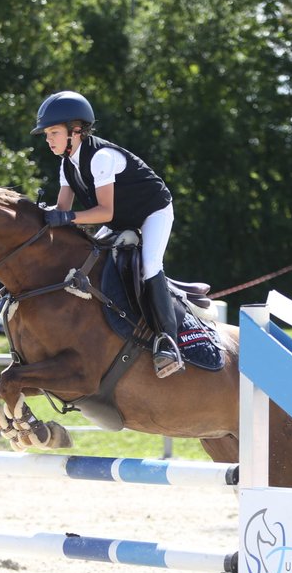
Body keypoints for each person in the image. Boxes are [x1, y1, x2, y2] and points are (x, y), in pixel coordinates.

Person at [32, 90, 183, 378]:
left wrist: (66, 217)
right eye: (47, 134)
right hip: (118, 218)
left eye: (53, 132)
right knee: (90, 259)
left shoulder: (101, 156)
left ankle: (168, 340)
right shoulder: (67, 164)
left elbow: (105, 212)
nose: (48, 139)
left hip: (152, 211)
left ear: (75, 131)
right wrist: (39, 215)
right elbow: (62, 210)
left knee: (150, 264)